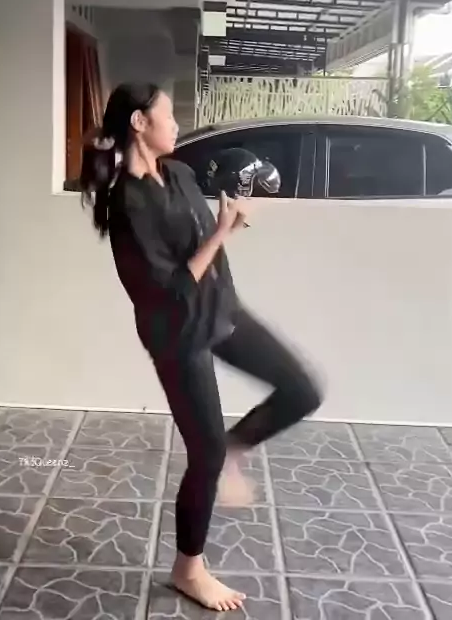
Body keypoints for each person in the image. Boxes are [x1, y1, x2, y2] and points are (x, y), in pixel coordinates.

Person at [80, 83, 322, 612]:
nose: (175, 125)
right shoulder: (127, 202)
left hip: (221, 309)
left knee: (303, 390)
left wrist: (226, 225)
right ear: (140, 123)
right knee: (204, 454)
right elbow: (167, 290)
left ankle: (234, 447)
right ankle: (188, 570)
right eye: (167, 116)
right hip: (177, 332)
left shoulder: (181, 174)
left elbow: (196, 243)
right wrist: (219, 235)